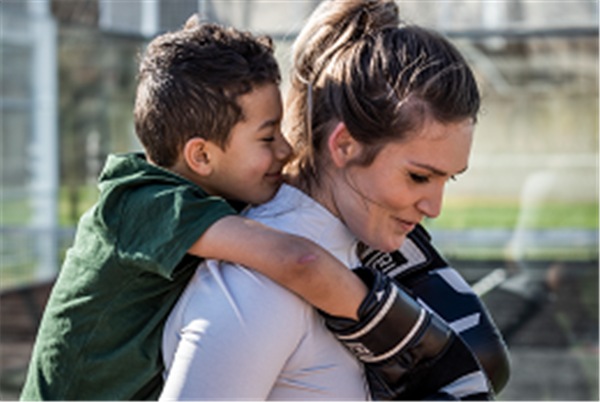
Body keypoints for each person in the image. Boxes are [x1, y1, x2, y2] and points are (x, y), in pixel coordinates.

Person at [160, 0, 508, 400]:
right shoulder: (257, 285)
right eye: (418, 177)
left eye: (448, 179)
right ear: (344, 145)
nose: (434, 207)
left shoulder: (371, 252)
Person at [20, 17, 371, 401]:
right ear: (201, 156)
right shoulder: (143, 204)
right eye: (268, 137)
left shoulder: (212, 193)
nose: (285, 150)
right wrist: (396, 325)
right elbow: (296, 260)